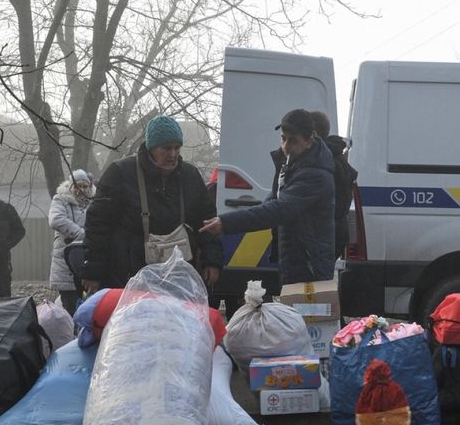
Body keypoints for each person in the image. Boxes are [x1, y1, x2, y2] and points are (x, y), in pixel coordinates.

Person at [81, 115, 222, 293]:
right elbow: (98, 225)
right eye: (166, 148)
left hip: (177, 278)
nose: (173, 155)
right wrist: (94, 271)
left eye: (177, 148)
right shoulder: (121, 174)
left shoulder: (190, 176)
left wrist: (212, 261)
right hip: (128, 277)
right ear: (151, 147)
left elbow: (206, 221)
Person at [200, 108, 335, 285]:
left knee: (304, 313)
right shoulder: (293, 165)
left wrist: (226, 223)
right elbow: (271, 203)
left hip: (310, 265)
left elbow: (278, 209)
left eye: (293, 141)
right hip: (296, 260)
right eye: (283, 138)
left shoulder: (315, 175)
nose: (286, 146)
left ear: (309, 140)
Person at [309, 110, 358, 259]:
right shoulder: (335, 158)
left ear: (313, 134)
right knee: (317, 281)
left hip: (321, 237)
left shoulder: (323, 163)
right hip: (332, 235)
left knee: (312, 281)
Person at [48, 169, 95, 313]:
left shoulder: (95, 203)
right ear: (70, 187)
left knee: (91, 306)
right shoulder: (60, 199)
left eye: (85, 186)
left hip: (88, 261)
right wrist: (83, 235)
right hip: (64, 263)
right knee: (70, 306)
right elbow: (56, 220)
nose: (81, 189)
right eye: (77, 185)